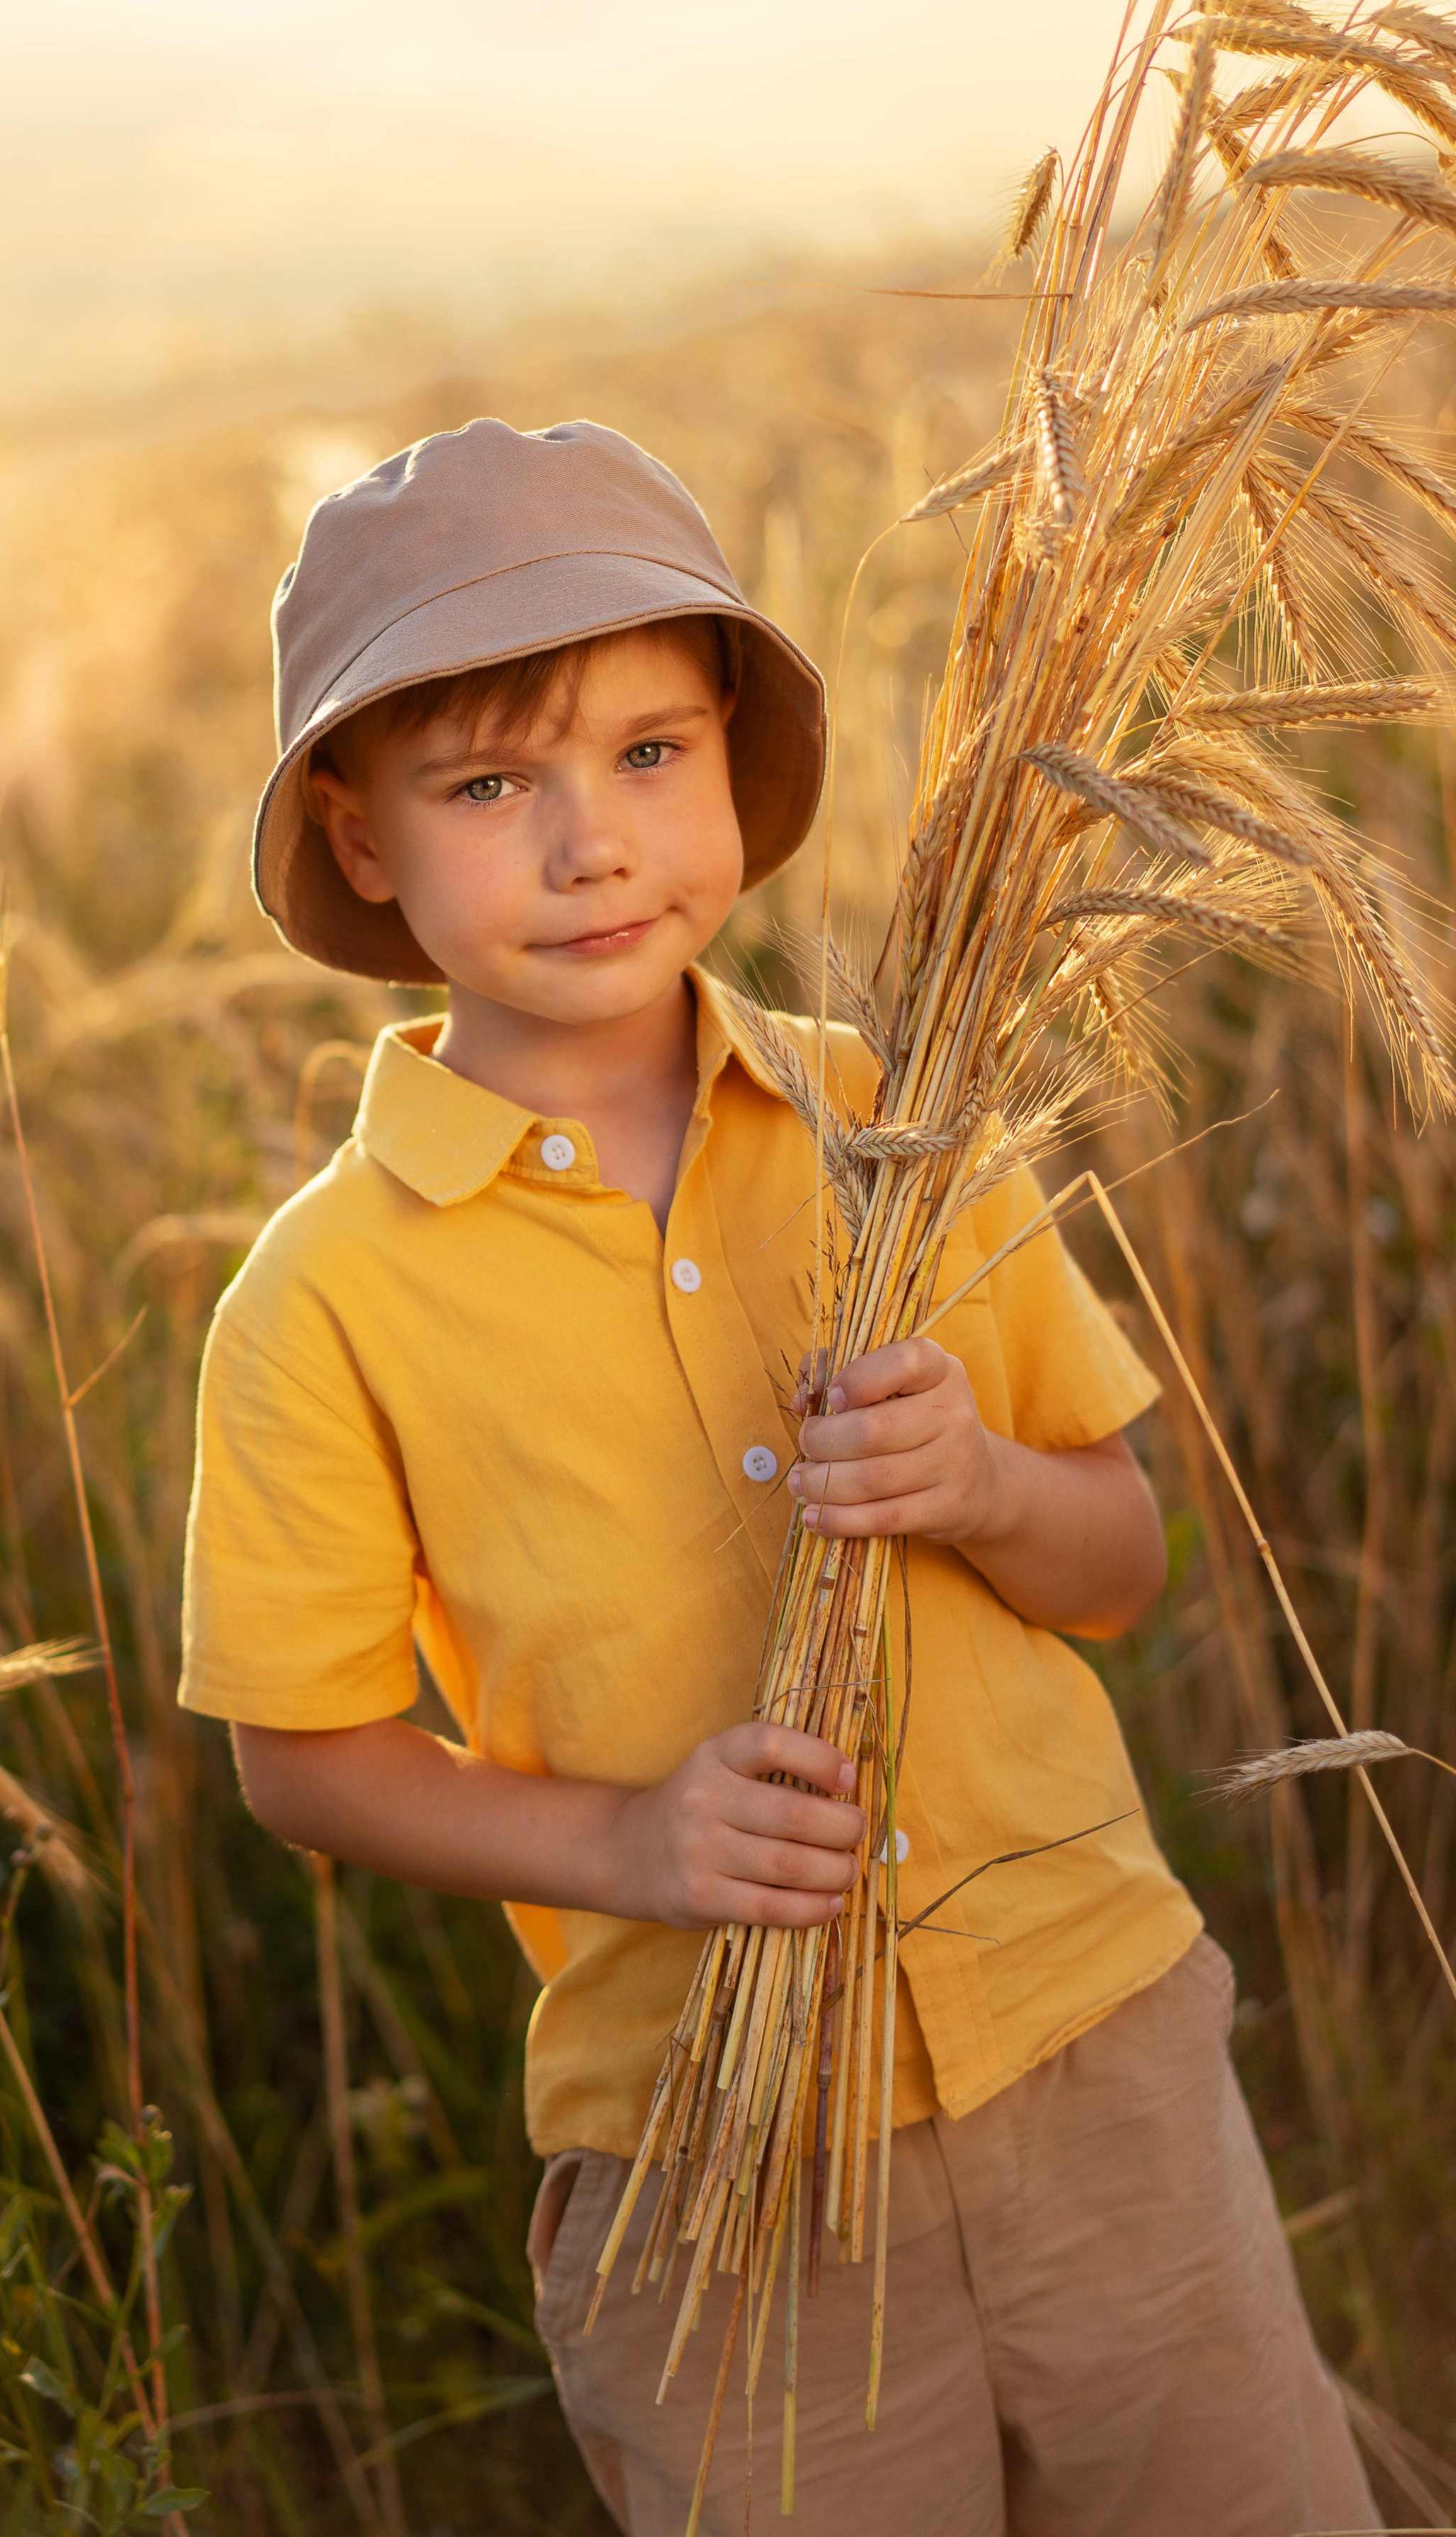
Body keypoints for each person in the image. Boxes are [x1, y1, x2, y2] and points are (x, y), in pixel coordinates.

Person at [178, 418, 1375, 2534]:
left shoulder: (897, 1126)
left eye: (651, 753)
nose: (591, 845)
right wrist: (631, 1841)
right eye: (487, 785)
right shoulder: (322, 1300)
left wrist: (984, 1484)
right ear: (360, 843)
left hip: (1090, 2043)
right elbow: (305, 1755)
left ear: (732, 753)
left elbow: (1118, 1558)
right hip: (714, 2178)